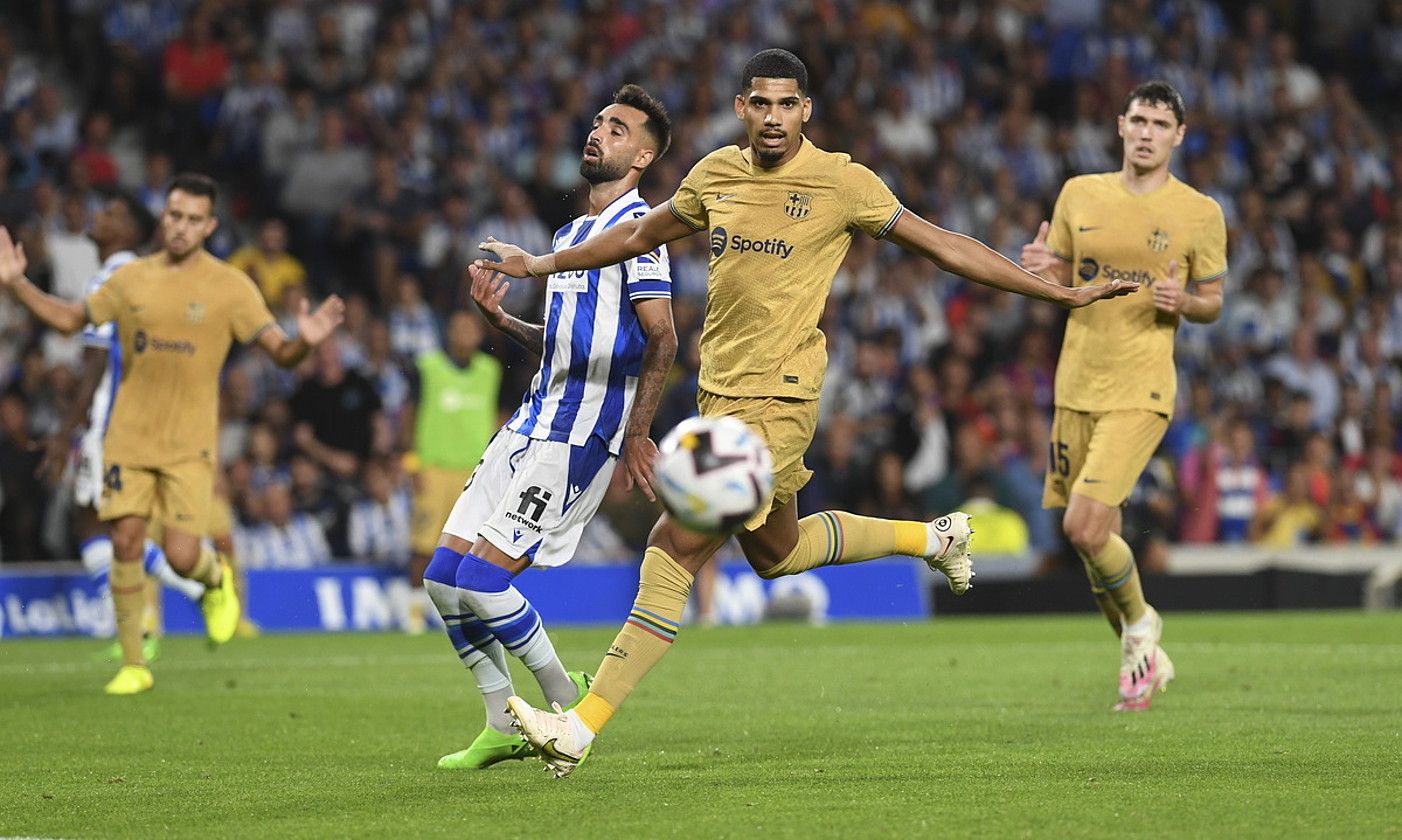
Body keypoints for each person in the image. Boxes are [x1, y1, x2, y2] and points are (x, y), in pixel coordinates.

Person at [480, 49, 1137, 776]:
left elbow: (945, 246)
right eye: (759, 103)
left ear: (805, 111)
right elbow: (634, 237)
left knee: (674, 544)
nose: (772, 117)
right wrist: (537, 266)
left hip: (783, 399)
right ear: (741, 108)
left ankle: (581, 725)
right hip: (722, 393)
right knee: (777, 553)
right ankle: (937, 538)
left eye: (786, 105)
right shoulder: (715, 176)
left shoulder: (840, 182)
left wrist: (1061, 296)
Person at [0, 172, 345, 695]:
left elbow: (279, 350)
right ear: (163, 217)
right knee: (126, 539)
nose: (180, 226)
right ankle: (135, 663)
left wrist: (305, 342)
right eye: (173, 215)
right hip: (128, 436)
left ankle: (214, 580)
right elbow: (72, 320)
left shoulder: (231, 286)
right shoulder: (130, 278)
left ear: (208, 225)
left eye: (192, 219)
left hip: (189, 443)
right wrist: (18, 285)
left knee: (184, 555)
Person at [422, 83, 680, 772]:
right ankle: (500, 721)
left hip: (578, 438)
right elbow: (565, 342)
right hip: (529, 422)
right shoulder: (568, 237)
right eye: (598, 122)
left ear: (644, 155)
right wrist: (502, 323)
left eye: (618, 129)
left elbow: (663, 339)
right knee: (443, 579)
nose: (598, 133)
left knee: (482, 582)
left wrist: (636, 432)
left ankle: (568, 706)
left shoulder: (642, 232)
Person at [1020, 80, 1227, 711]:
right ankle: (1143, 661)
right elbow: (1055, 275)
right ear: (1120, 125)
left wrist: (1184, 301)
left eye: (1160, 124)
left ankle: (1141, 626)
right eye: (1138, 120)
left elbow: (1213, 302)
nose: (1146, 132)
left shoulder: (1200, 212)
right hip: (1077, 380)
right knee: (1091, 535)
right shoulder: (1080, 193)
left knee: (1084, 527)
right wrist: (1043, 270)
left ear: (1178, 136)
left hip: (1143, 387)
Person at [33, 192, 207, 661]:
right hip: (135, 418)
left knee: (107, 528)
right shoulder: (141, 274)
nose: (97, 214)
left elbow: (95, 360)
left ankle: (192, 591)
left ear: (129, 231)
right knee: (95, 524)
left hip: (112, 420)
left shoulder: (116, 274)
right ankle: (137, 625)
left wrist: (65, 429)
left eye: (110, 213)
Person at [402, 309, 501, 633]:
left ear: (479, 335)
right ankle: (414, 615)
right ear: (449, 333)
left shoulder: (491, 371)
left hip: (475, 474)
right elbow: (408, 414)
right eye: (458, 327)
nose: (464, 334)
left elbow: (500, 417)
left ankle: (465, 613)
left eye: (470, 329)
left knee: (474, 548)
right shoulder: (428, 367)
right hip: (433, 470)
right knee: (422, 544)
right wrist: (410, 460)